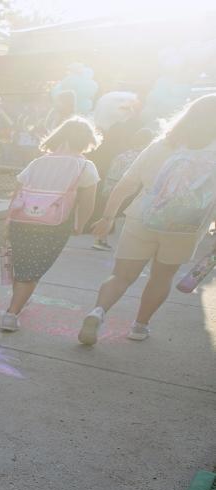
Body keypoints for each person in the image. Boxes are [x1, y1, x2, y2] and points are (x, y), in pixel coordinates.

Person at [82, 95, 216, 344]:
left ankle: (97, 311)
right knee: (161, 277)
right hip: (185, 229)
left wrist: (108, 217)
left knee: (121, 276)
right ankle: (139, 326)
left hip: (142, 218)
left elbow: (126, 184)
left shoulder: (163, 145)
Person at [0, 119, 101, 331]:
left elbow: (17, 192)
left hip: (22, 220)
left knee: (23, 266)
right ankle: (11, 313)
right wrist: (80, 224)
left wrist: (8, 221)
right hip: (54, 224)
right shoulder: (85, 166)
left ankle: (18, 303)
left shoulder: (37, 163)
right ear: (86, 141)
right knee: (33, 269)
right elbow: (88, 202)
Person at [92, 126, 154, 251]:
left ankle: (101, 239)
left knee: (110, 215)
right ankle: (117, 243)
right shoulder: (144, 156)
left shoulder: (123, 154)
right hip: (129, 190)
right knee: (125, 217)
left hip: (110, 187)